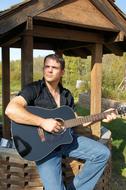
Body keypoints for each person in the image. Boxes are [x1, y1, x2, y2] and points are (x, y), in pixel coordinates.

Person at [5, 54, 116, 190]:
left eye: (54, 67)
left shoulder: (67, 95)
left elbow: (77, 121)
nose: (49, 70)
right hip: (43, 148)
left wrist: (102, 116)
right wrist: (42, 122)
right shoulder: (34, 89)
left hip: (65, 140)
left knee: (102, 154)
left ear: (62, 72)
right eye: (47, 66)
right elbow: (11, 110)